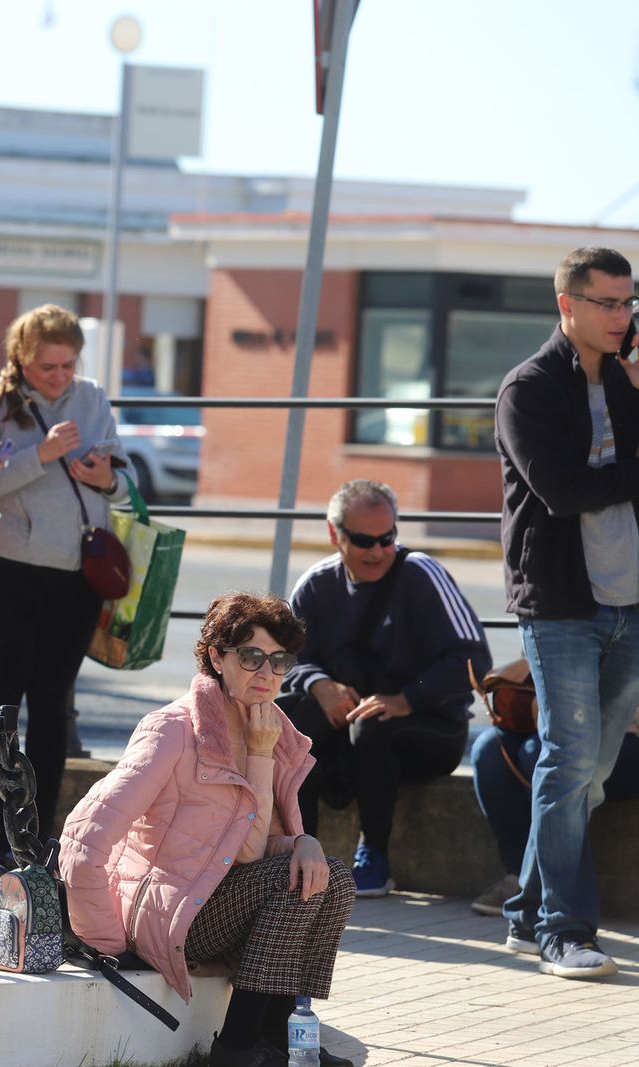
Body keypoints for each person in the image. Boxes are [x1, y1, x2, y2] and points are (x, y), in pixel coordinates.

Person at [61, 592, 356, 1067]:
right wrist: (111, 946)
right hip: (170, 913)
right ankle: (238, 1046)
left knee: (330, 877)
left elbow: (249, 848)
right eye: (252, 657)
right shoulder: (172, 731)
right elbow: (83, 838)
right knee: (287, 880)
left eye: (279, 661)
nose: (267, 674)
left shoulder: (269, 729)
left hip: (221, 900)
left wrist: (304, 841)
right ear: (217, 657)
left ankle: (281, 1038)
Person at [493, 245, 639, 979]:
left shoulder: (627, 383)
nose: (623, 316)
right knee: (569, 760)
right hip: (560, 603)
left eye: (628, 302)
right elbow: (561, 490)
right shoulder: (530, 388)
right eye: (608, 302)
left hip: (630, 600)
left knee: (595, 771)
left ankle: (523, 914)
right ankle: (563, 928)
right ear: (568, 305)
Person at [0, 304, 129, 840]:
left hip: (76, 567)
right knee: (3, 693)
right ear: (21, 359)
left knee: (53, 700)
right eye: (45, 368)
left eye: (67, 366)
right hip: (8, 561)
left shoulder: (93, 397)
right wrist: (42, 453)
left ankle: (35, 828)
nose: (59, 378)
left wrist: (105, 479)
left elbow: (124, 487)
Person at [279, 479, 490, 899]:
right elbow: (285, 659)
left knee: (373, 724)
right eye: (363, 540)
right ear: (334, 534)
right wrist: (320, 686)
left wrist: (406, 699)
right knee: (292, 723)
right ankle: (300, 854)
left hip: (430, 727)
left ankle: (374, 855)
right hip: (351, 725)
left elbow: (473, 660)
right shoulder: (317, 585)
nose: (377, 551)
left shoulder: (422, 574)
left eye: (386, 539)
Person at [468, 713, 639, 916]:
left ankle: (556, 890)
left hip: (623, 735)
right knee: (489, 750)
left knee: (538, 753)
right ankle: (519, 875)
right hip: (559, 727)